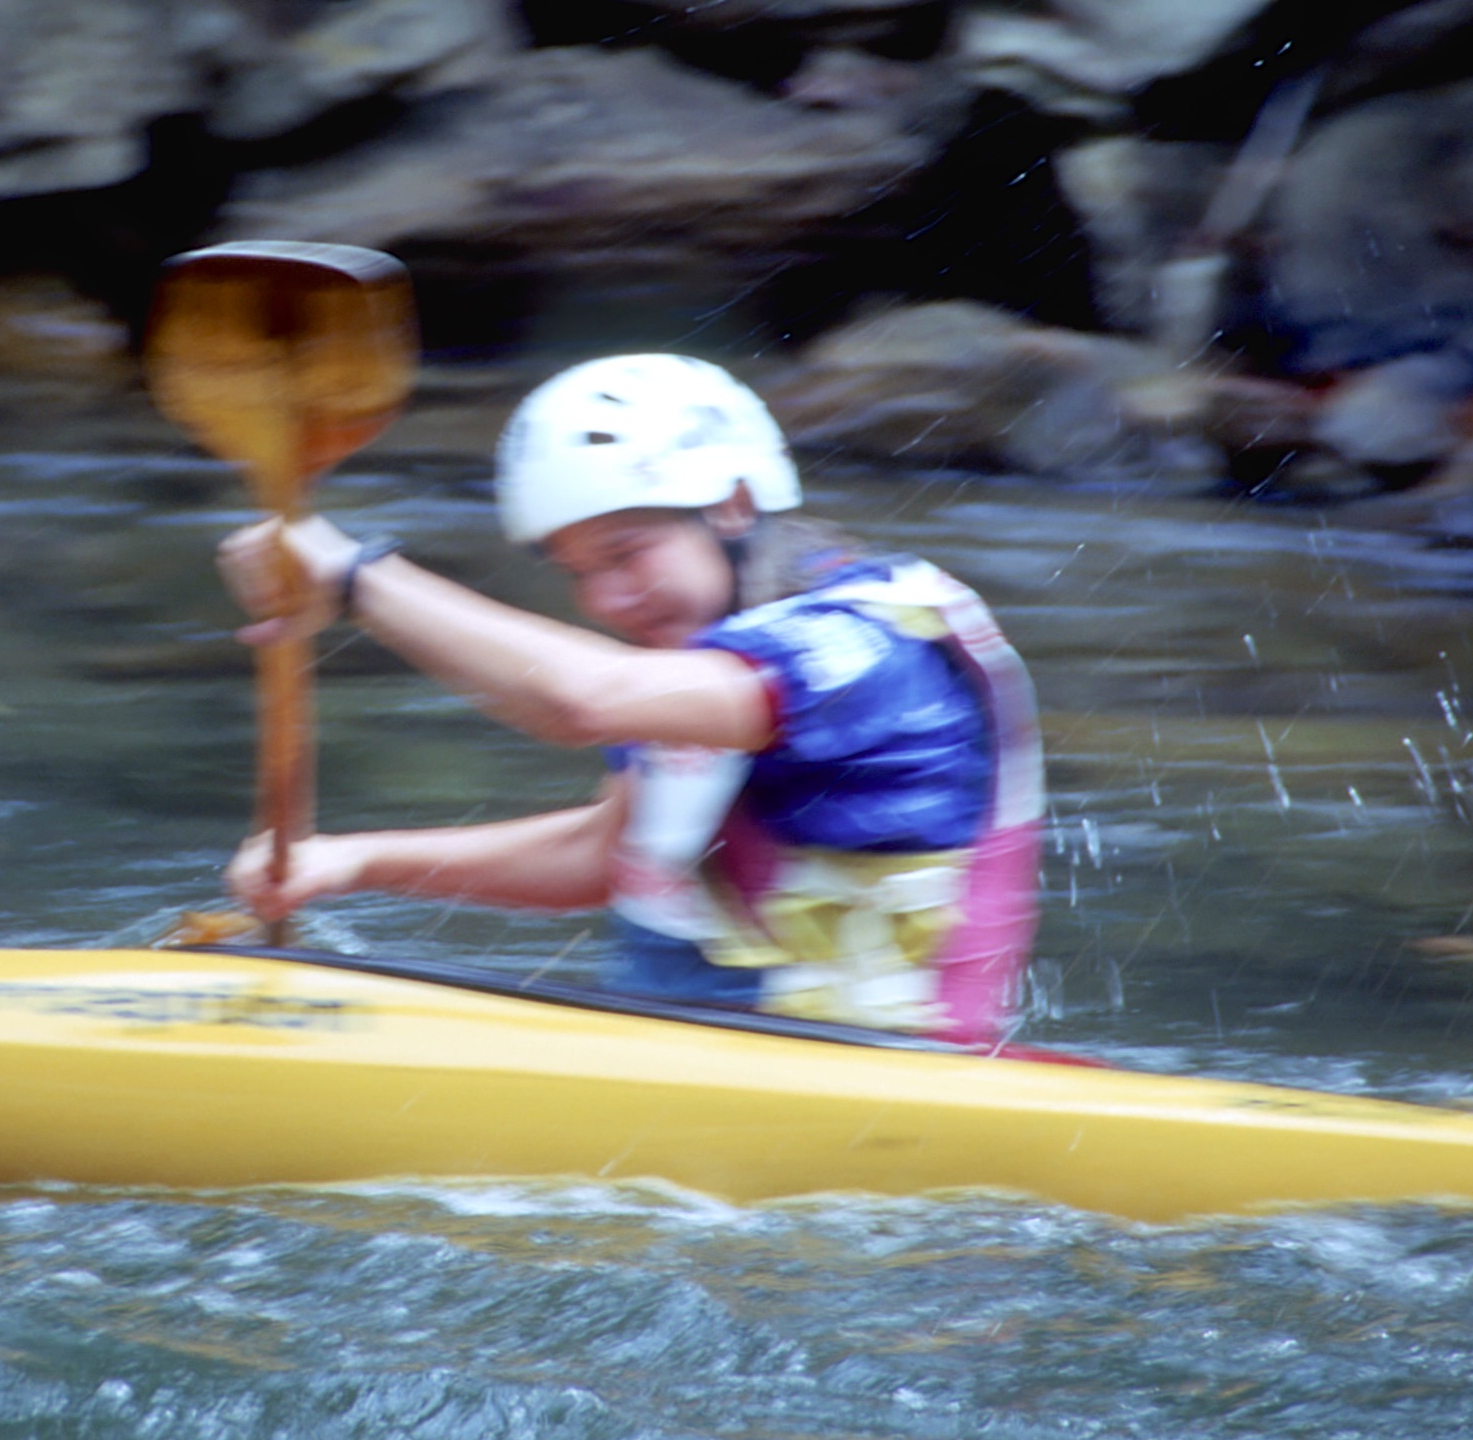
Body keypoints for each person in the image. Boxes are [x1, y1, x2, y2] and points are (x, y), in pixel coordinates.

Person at [215, 353, 1044, 1043]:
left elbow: (582, 700)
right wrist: (350, 861)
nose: (606, 599)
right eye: (577, 571)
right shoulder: (706, 660)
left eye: (626, 553)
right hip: (722, 1069)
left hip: (887, 1081)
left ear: (732, 504)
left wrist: (356, 577)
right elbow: (603, 853)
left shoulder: (866, 644)